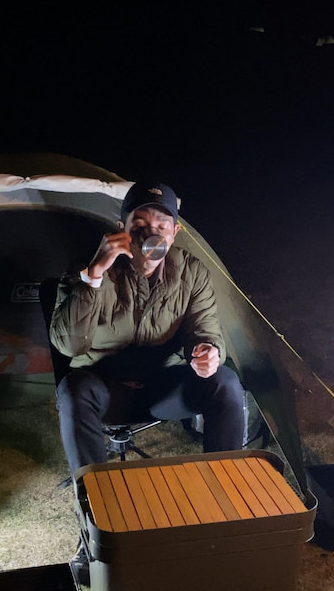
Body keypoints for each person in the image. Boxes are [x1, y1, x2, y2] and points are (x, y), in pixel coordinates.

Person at [49, 180, 247, 478]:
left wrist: (208, 351)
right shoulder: (87, 268)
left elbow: (205, 328)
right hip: (104, 389)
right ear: (121, 228)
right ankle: (96, 497)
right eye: (139, 223)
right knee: (72, 389)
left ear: (175, 232)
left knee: (226, 381)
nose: (151, 233)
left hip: (162, 390)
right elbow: (68, 347)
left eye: (162, 225)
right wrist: (93, 276)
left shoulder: (192, 272)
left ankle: (225, 487)